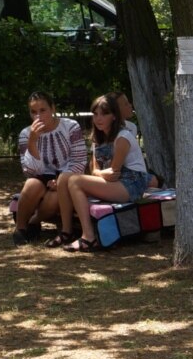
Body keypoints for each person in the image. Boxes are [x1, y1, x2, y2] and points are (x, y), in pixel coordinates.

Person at [59, 93, 149, 252]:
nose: (99, 118)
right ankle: (66, 231)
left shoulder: (123, 137)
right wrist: (99, 174)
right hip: (115, 181)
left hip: (132, 183)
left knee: (75, 181)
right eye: (95, 114)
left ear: (114, 116)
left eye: (104, 114)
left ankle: (88, 237)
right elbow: (95, 169)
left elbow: (114, 172)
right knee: (65, 177)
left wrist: (99, 174)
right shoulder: (97, 138)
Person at [15, 91, 87, 246]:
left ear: (53, 109)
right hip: (41, 174)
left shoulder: (71, 127)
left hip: (67, 174)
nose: (38, 117)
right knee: (31, 185)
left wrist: (61, 179)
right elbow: (29, 171)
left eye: (43, 110)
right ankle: (20, 228)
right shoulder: (25, 134)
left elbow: (79, 160)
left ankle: (34, 221)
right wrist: (32, 142)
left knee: (56, 195)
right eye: (33, 112)